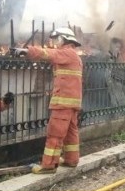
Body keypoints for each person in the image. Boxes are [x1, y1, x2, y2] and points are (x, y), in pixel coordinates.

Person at [12, 27, 83, 174]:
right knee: (71, 133)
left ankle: (48, 165)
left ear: (64, 39)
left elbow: (49, 54)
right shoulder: (74, 55)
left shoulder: (67, 53)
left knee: (55, 133)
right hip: (71, 102)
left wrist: (27, 51)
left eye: (57, 39)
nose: (55, 43)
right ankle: (71, 159)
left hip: (63, 102)